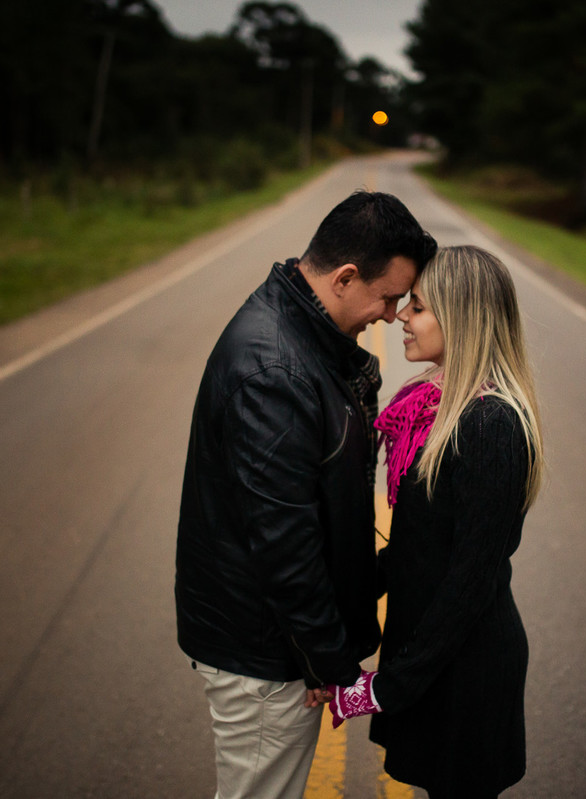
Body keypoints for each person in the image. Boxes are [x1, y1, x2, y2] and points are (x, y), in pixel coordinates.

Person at [175, 190, 437, 799]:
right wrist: (331, 665)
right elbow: (286, 541)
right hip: (265, 653)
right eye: (388, 295)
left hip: (278, 640)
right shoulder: (277, 371)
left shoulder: (302, 334)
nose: (392, 313)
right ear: (346, 278)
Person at [324, 245, 545, 799]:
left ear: (462, 316)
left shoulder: (491, 423)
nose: (400, 315)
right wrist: (328, 604)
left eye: (418, 306)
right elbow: (418, 550)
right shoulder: (434, 408)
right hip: (430, 657)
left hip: (465, 668)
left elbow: (469, 582)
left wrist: (385, 688)